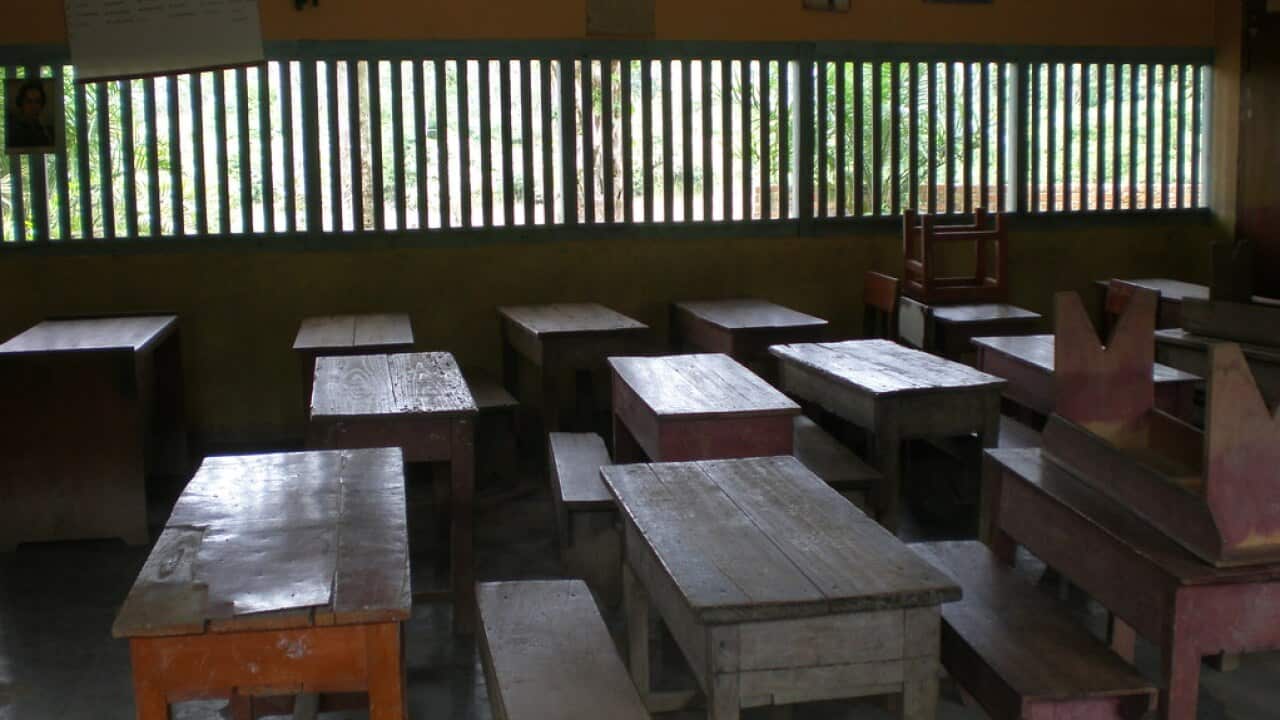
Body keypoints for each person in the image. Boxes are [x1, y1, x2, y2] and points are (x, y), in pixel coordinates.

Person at [7, 80, 55, 150]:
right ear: (21, 103)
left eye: (37, 101)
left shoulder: (47, 131)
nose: (34, 106)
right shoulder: (14, 130)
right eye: (29, 101)